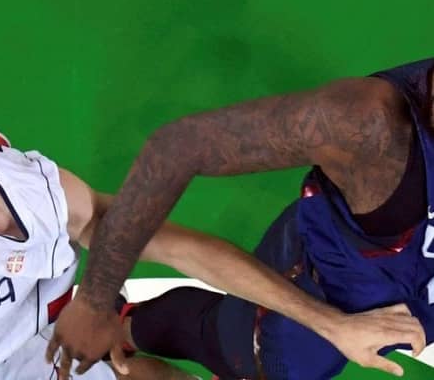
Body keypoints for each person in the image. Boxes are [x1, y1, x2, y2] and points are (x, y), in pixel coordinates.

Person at [0, 32, 421, 379]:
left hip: (12, 358)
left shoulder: (35, 191)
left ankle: (130, 327)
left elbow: (177, 245)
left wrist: (331, 324)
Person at [48, 58, 434, 379]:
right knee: (234, 344)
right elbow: (176, 149)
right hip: (321, 296)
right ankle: (124, 329)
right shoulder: (369, 125)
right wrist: (94, 303)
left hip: (410, 295)